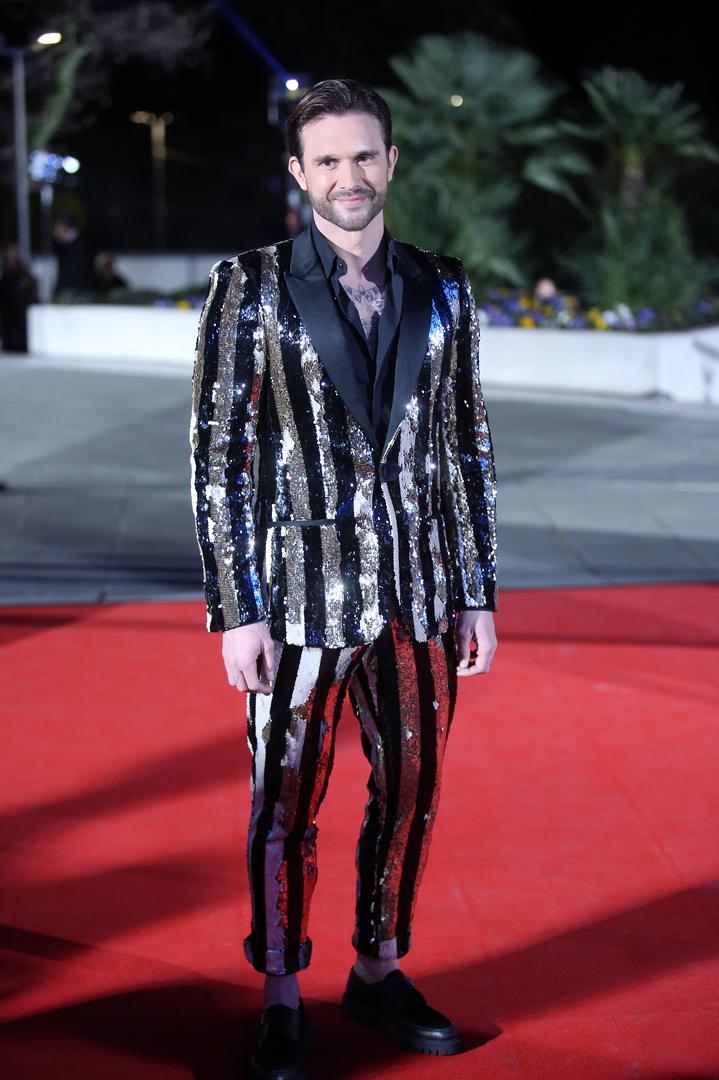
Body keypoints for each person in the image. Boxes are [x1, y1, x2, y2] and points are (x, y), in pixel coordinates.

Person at [189, 77, 498, 1080]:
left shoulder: (444, 286)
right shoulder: (249, 284)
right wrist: (235, 609)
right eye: (326, 159)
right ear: (298, 172)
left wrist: (476, 589)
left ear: (390, 161)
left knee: (411, 791)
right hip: (295, 601)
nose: (347, 175)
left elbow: (466, 444)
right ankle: (281, 994)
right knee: (284, 802)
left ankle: (378, 967)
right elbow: (219, 456)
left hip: (420, 594)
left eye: (363, 154)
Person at [0, 243, 38, 353]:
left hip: (22, 317)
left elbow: (32, 291)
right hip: (8, 316)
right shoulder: (5, 277)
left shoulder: (24, 275)